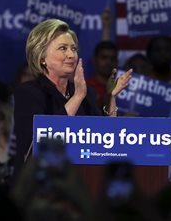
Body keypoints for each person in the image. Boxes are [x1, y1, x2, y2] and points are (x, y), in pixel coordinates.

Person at [13, 19, 132, 179]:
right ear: (42, 57)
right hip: (38, 187)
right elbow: (41, 142)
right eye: (63, 48)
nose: (71, 55)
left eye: (73, 49)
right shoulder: (29, 92)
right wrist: (77, 98)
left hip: (80, 183)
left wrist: (111, 97)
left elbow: (107, 139)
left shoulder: (85, 93)